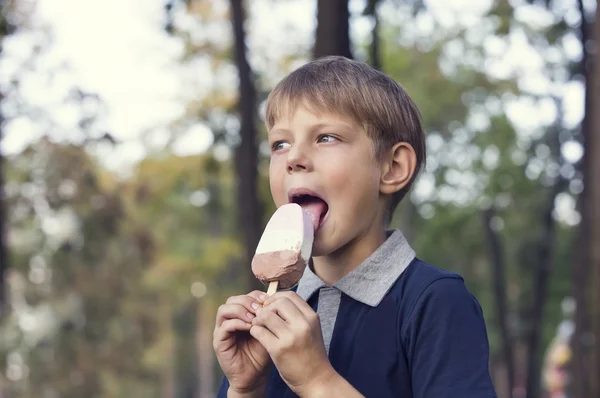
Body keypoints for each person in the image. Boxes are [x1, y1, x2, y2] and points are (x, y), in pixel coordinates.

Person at [213, 56, 497, 398]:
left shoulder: (435, 302)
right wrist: (245, 389)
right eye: (280, 144)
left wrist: (318, 382)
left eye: (326, 137)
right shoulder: (273, 321)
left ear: (392, 167)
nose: (293, 158)